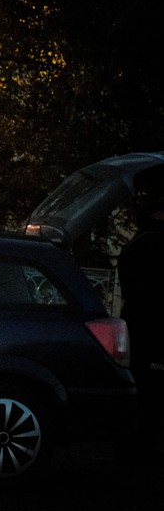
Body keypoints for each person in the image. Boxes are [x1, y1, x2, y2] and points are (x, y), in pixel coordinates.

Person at [117, 192, 164, 460]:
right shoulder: (151, 245)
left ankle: (131, 444)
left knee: (140, 386)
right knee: (153, 391)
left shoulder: (134, 246)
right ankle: (145, 445)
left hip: (137, 322)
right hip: (152, 326)